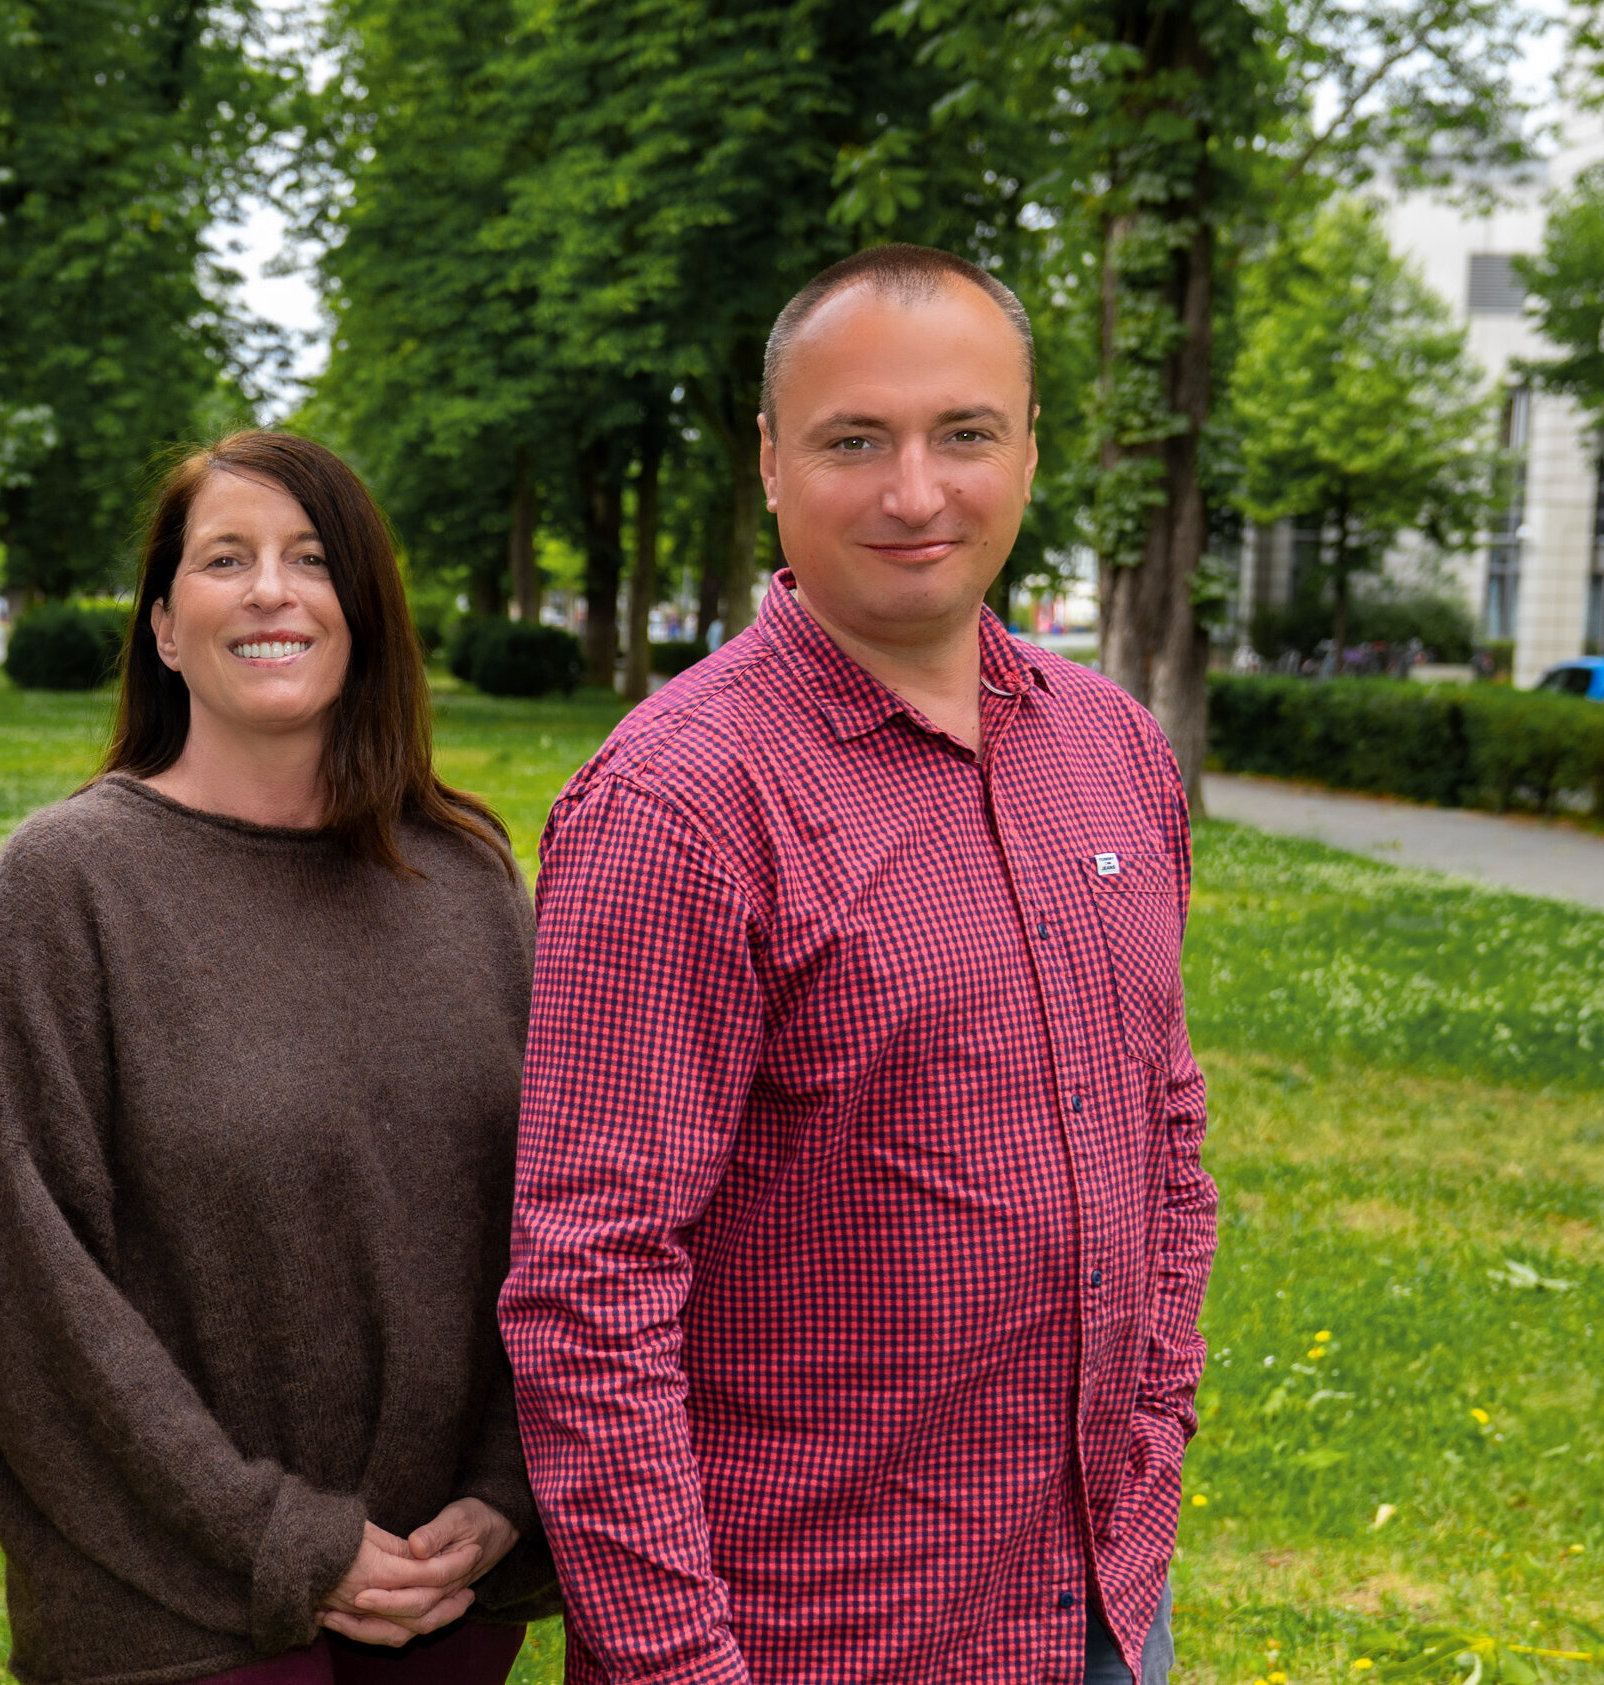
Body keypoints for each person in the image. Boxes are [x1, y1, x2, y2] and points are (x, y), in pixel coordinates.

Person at [500, 245, 1215, 1685]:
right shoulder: (679, 804)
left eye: (963, 434)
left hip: (1094, 1600)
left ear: (1028, 450)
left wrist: (1153, 1437)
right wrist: (675, 1665)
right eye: (853, 440)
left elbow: (1166, 1137)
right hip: (809, 1632)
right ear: (770, 463)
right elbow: (588, 1288)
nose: (913, 492)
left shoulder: (1114, 751)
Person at [0, 431, 561, 1685]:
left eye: (313, 558)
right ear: (164, 626)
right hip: (173, 1613)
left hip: (445, 1588)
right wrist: (277, 1534)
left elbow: (554, 1212)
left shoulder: (468, 881)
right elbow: (15, 1267)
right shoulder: (74, 885)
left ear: (362, 612)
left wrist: (506, 1487)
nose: (272, 589)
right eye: (227, 557)